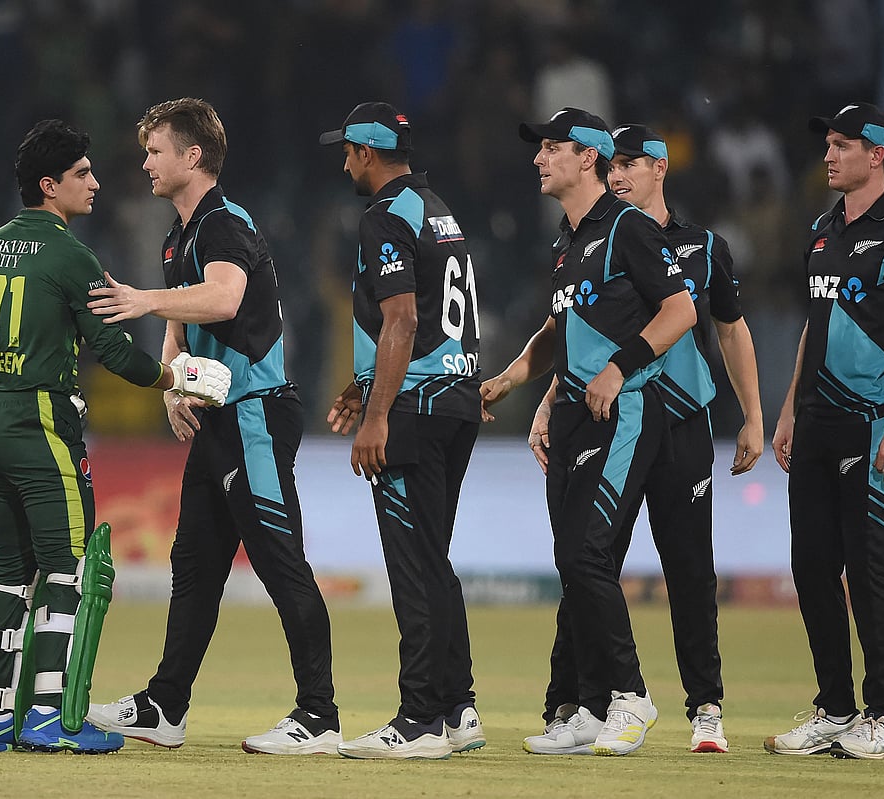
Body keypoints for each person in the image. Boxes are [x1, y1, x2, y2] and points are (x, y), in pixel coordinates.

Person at [0, 119, 231, 754]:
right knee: (66, 570)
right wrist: (175, 375)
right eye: (82, 173)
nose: (96, 183)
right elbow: (112, 350)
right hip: (42, 425)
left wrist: (17, 354)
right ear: (50, 186)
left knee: (6, 573)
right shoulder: (71, 256)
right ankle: (47, 717)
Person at [84, 98, 340, 755]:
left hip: (254, 412)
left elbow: (223, 297)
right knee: (195, 565)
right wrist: (173, 384)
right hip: (218, 414)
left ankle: (320, 714)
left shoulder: (224, 224)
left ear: (192, 157)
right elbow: (181, 322)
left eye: (156, 150)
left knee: (281, 563)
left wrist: (141, 298)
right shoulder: (182, 233)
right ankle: (165, 706)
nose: (145, 162)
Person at [521, 124, 764, 755]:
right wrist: (548, 399)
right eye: (616, 163)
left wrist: (754, 415)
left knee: (686, 569)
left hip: (679, 419)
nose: (620, 174)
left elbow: (730, 332)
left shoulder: (701, 247)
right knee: (583, 559)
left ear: (659, 168)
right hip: (614, 414)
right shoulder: (591, 240)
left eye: (631, 163)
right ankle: (579, 704)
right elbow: (578, 327)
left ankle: (704, 710)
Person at [480, 107, 696, 756]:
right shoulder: (566, 242)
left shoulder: (628, 228)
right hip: (572, 414)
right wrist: (523, 382)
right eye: (539, 148)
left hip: (623, 411)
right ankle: (592, 708)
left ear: (589, 157)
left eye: (553, 148)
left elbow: (680, 309)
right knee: (572, 563)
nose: (539, 158)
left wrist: (618, 368)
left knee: (585, 556)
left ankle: (632, 696)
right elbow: (563, 329)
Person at [766, 103, 884, 760]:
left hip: (873, 425)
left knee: (869, 569)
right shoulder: (820, 233)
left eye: (842, 145)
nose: (828, 155)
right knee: (811, 566)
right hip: (816, 421)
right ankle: (836, 708)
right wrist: (788, 408)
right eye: (827, 144)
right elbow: (816, 328)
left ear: (878, 155)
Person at [319, 101, 486, 760]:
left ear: (366, 153)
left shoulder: (384, 216)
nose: (344, 162)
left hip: (413, 411)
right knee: (434, 563)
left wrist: (378, 413)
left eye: (348, 151)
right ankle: (456, 706)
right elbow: (443, 319)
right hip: (455, 401)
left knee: (414, 569)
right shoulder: (437, 208)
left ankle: (418, 719)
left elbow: (404, 319)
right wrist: (365, 385)